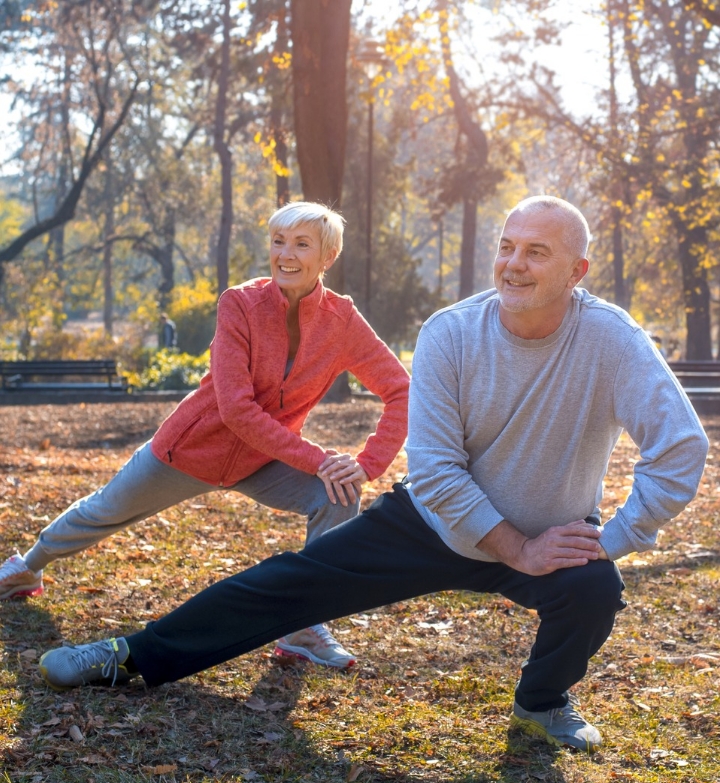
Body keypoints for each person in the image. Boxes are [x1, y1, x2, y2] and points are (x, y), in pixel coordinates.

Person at [37, 196, 708, 753]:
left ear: (577, 269)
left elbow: (679, 447)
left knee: (594, 590)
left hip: (550, 531)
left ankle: (542, 702)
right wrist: (515, 548)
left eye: (537, 251)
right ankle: (131, 656)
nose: (514, 263)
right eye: (507, 246)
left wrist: (611, 538)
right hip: (433, 524)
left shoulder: (612, 339)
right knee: (286, 585)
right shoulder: (452, 333)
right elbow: (439, 472)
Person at [1, 201, 410, 669]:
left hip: (262, 461)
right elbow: (237, 410)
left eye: (301, 244)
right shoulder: (240, 303)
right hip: (191, 450)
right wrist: (318, 458)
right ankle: (26, 567)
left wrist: (365, 463)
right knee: (103, 511)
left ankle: (301, 624)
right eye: (278, 241)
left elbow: (400, 389)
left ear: (327, 257)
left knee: (339, 492)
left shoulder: (343, 323)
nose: (286, 254)